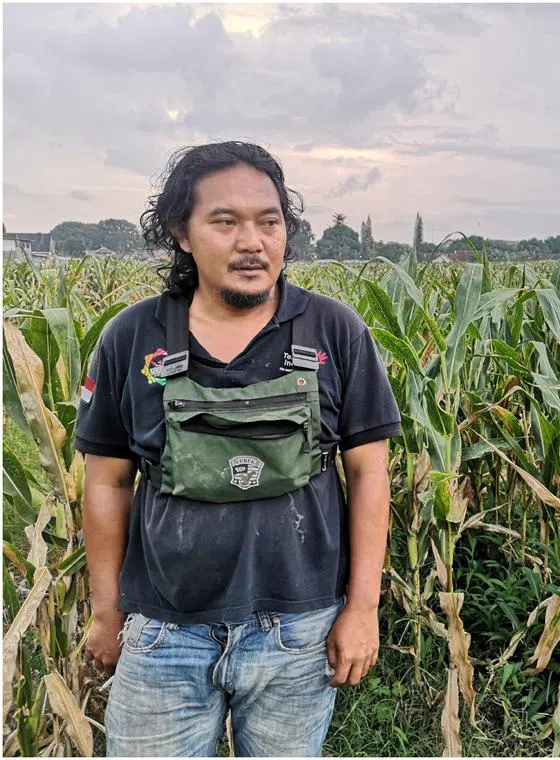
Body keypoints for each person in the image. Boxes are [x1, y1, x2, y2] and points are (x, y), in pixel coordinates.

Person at [77, 141, 401, 756]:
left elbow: (369, 474)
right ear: (181, 232)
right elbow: (107, 481)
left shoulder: (335, 330)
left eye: (269, 221)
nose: (252, 242)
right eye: (225, 221)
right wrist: (106, 611)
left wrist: (362, 609)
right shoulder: (132, 336)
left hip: (299, 630)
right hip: (163, 630)